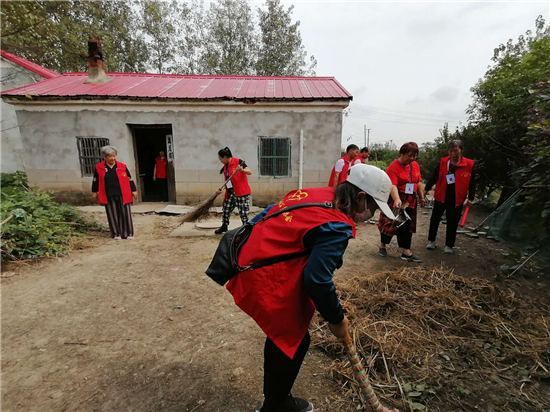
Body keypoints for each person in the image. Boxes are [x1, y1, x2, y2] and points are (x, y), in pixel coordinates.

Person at [225, 164, 394, 412]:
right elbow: (317, 279)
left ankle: (277, 399)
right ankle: (275, 405)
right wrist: (336, 319)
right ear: (360, 198)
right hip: (264, 275)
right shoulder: (337, 225)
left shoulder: (315, 193)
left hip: (248, 260)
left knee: (282, 336)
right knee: (292, 338)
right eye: (374, 207)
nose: (373, 213)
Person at [425, 140, 475, 254]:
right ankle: (431, 241)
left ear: (461, 151)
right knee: (435, 219)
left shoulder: (469, 164)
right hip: (441, 195)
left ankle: (449, 245)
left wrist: (470, 197)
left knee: (452, 221)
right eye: (451, 150)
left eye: (456, 151)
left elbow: (472, 183)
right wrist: (426, 189)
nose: (453, 153)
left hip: (457, 197)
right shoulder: (443, 162)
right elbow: (434, 176)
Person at [378, 142, 426, 262]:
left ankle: (406, 251)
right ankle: (382, 245)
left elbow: (418, 182)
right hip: (396, 198)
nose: (412, 158)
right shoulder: (393, 167)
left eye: (414, 156)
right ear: (402, 153)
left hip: (410, 200)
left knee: (407, 225)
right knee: (389, 224)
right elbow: (392, 185)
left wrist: (421, 197)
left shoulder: (415, 165)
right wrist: (397, 199)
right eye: (409, 155)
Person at [92, 146, 138, 240]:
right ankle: (116, 234)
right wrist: (94, 191)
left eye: (113, 156)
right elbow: (95, 180)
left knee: (125, 213)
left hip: (122, 193)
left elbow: (129, 179)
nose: (112, 158)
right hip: (108, 193)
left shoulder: (122, 166)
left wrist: (133, 190)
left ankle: (128, 233)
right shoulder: (99, 167)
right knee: (112, 214)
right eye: (109, 156)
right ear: (104, 157)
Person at [214, 147, 253, 235]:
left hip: (241, 192)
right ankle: (224, 226)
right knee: (226, 209)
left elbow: (250, 171)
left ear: (225, 157)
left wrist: (242, 170)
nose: (220, 160)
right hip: (231, 192)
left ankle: (246, 228)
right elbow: (228, 181)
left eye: (220, 159)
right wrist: (222, 189)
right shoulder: (226, 166)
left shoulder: (238, 162)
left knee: (243, 212)